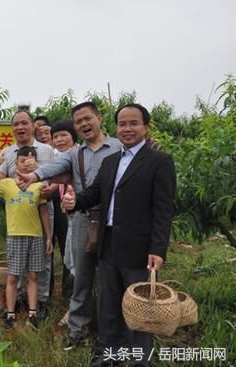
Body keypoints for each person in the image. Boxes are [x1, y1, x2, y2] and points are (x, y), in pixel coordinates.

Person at [61, 103, 176, 367]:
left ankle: (138, 361)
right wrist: (74, 201)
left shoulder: (159, 161)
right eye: (122, 124)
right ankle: (108, 355)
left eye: (133, 123)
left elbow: (163, 210)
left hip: (139, 248)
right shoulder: (111, 161)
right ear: (116, 127)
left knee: (138, 309)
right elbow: (94, 194)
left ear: (145, 127)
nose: (127, 129)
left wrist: (158, 249)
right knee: (109, 305)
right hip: (108, 243)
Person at [16, 102, 122, 349]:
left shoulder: (119, 147)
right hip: (83, 219)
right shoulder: (76, 154)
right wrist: (34, 175)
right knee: (81, 276)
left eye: (88, 118)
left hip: (114, 222)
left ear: (99, 118)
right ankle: (78, 330)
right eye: (78, 121)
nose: (84, 124)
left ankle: (110, 335)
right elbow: (56, 166)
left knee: (111, 279)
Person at [0, 110, 55, 320]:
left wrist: (46, 181)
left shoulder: (46, 150)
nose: (20, 127)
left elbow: (57, 175)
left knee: (41, 261)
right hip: (18, 212)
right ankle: (19, 299)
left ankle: (41, 301)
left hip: (42, 206)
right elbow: (0, 177)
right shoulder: (8, 152)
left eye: (24, 123)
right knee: (17, 261)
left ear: (33, 126)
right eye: (16, 124)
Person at [0, 146, 53, 329]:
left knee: (33, 276)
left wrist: (49, 237)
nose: (27, 165)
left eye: (31, 162)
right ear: (15, 163)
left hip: (36, 236)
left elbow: (43, 212)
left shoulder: (39, 185)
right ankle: (11, 314)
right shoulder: (7, 183)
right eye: (23, 161)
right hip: (15, 235)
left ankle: (33, 313)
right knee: (13, 277)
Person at [40, 120, 79, 325]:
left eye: (63, 135)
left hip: (83, 218)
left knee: (75, 261)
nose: (59, 139)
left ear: (74, 137)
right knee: (70, 260)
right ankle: (74, 307)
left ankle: (76, 310)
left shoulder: (79, 156)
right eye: (56, 137)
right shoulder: (63, 157)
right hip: (70, 214)